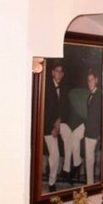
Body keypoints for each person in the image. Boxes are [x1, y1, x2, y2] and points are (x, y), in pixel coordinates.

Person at [43, 60, 69, 192]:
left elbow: (63, 109)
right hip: (47, 126)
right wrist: (53, 128)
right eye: (57, 71)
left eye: (61, 71)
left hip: (57, 123)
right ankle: (51, 183)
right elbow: (44, 111)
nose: (59, 73)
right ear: (52, 73)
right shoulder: (46, 87)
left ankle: (68, 167)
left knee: (70, 135)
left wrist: (59, 122)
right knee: (55, 155)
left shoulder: (62, 89)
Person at [84, 69, 102, 184]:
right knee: (89, 160)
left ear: (96, 80)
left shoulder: (100, 95)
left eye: (91, 80)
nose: (89, 82)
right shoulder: (89, 96)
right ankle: (89, 183)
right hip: (89, 132)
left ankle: (91, 183)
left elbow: (101, 116)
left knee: (92, 160)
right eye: (88, 80)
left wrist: (99, 134)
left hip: (95, 133)